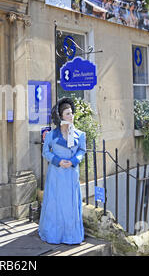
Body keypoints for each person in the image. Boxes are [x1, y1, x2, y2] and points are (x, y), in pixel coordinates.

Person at [38, 97, 87, 245]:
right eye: (67, 114)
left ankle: (71, 236)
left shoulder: (80, 134)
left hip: (71, 173)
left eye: (71, 113)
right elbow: (45, 151)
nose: (71, 116)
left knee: (70, 205)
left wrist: (72, 161)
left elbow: (82, 150)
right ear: (60, 116)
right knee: (55, 204)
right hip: (56, 174)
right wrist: (58, 161)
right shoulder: (52, 135)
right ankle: (54, 235)